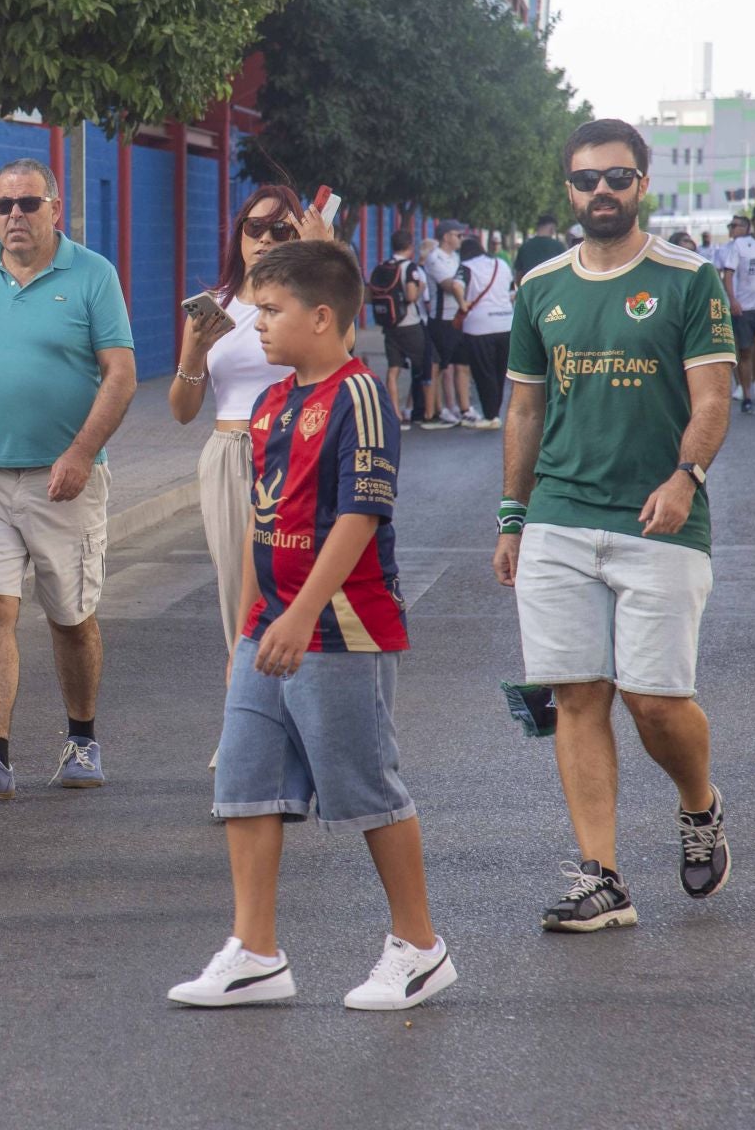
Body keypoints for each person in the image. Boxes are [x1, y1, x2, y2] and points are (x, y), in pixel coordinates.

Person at [168, 238, 457, 1012]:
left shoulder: (360, 395)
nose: (255, 325)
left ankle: (419, 946)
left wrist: (299, 615)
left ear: (322, 317)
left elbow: (361, 515)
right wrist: (250, 629)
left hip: (340, 629)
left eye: (270, 310)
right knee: (246, 784)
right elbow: (266, 527)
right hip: (269, 627)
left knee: (364, 786)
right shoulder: (272, 403)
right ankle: (256, 952)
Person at [494, 117, 735, 933]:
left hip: (660, 520)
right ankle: (602, 877)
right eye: (588, 179)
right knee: (577, 694)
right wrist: (513, 516)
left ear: (643, 184)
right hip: (559, 518)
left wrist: (685, 475)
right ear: (569, 188)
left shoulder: (690, 279)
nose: (602, 191)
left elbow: (711, 399)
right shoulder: (540, 288)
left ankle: (698, 804)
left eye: (618, 178)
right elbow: (525, 409)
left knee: (655, 700)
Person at [0, 158, 137, 800]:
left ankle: (82, 736)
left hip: (62, 477)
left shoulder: (92, 276)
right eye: (4, 205)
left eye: (28, 204)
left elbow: (120, 374)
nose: (14, 216)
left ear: (55, 209)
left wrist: (81, 453)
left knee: (70, 617)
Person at [170, 186, 316, 662]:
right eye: (254, 228)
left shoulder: (311, 302)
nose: (265, 239)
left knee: (299, 590)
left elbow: (347, 342)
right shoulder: (216, 304)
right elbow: (182, 409)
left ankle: (291, 720)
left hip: (296, 450)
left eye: (281, 229)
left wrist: (322, 253)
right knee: (241, 597)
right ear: (238, 236)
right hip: (231, 452)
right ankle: (246, 723)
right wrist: (193, 352)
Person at [362, 227, 432, 431]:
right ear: (410, 246)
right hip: (410, 325)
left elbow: (367, 297)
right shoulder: (410, 268)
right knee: (423, 367)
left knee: (393, 370)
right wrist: (421, 288)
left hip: (389, 327)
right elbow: (411, 296)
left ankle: (396, 414)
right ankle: (423, 411)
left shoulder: (381, 267)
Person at [454, 234, 513, 430]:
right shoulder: (501, 265)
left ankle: (491, 415)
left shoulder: (467, 267)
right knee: (499, 371)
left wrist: (462, 303)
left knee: (483, 372)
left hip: (479, 327)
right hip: (505, 323)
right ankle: (494, 413)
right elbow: (512, 292)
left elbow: (456, 285)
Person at [422, 220, 473, 423]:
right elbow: (449, 285)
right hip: (442, 319)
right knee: (440, 367)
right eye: (458, 235)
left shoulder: (457, 258)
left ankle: (464, 409)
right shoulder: (435, 258)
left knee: (462, 364)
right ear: (446, 237)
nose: (461, 239)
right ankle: (438, 409)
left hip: (459, 317)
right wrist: (462, 281)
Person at [722, 203, 755, 412]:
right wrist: (732, 300)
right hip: (746, 306)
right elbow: (728, 273)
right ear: (754, 223)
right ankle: (747, 394)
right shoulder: (740, 244)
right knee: (746, 350)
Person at [514, 214, 565, 283]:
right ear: (552, 229)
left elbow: (519, 275)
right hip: (552, 290)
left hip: (530, 290)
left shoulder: (524, 247)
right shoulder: (558, 246)